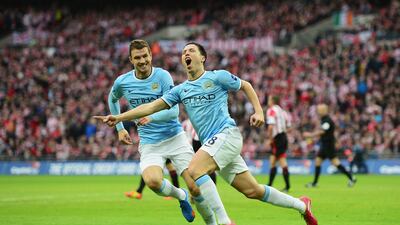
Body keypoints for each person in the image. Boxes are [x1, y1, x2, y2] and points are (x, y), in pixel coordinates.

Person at [95, 42, 318, 225]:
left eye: (191, 50)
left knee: (194, 170)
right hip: (213, 145)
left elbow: (246, 86)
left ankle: (223, 222)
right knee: (253, 191)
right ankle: (301, 205)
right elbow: (151, 107)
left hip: (227, 135)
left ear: (203, 57)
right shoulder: (180, 90)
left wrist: (259, 110)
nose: (186, 54)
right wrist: (120, 119)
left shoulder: (217, 77)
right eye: (183, 52)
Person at [106, 39, 216, 224]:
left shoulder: (163, 76)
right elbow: (112, 98)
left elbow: (174, 110)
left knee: (196, 188)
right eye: (137, 58)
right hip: (150, 142)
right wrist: (120, 128)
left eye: (145, 56)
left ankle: (212, 222)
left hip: (175, 137)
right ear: (131, 59)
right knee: (153, 182)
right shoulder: (123, 82)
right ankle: (181, 195)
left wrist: (151, 117)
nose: (142, 61)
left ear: (150, 55)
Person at [303, 104, 357, 188]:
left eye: (320, 110)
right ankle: (315, 183)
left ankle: (351, 177)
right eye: (318, 109)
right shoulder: (324, 120)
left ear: (324, 110)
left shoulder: (327, 120)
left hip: (328, 145)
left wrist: (310, 135)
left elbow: (322, 131)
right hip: (324, 145)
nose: (318, 111)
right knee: (318, 161)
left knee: (335, 162)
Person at [265, 95, 291, 192]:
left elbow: (271, 126)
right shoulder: (283, 112)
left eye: (269, 99)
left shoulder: (271, 110)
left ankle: (287, 186)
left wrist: (270, 139)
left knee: (281, 160)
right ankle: (270, 185)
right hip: (283, 136)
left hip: (277, 138)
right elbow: (289, 125)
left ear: (272, 100)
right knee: (273, 161)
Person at [182, 118, 216, 184]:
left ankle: (210, 186)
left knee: (205, 166)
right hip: (197, 140)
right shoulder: (189, 122)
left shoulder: (192, 120)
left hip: (202, 140)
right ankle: (204, 186)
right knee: (199, 166)